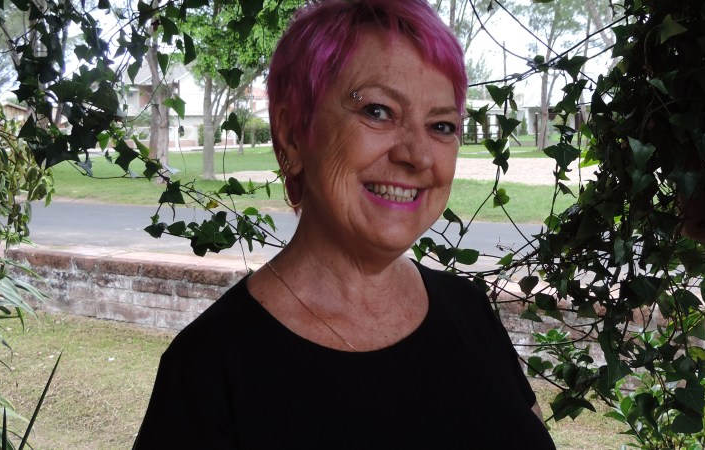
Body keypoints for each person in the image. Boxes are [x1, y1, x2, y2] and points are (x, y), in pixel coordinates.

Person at [134, 0, 556, 448]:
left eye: (441, 126)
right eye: (377, 111)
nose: (417, 155)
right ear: (292, 136)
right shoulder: (207, 369)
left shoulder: (469, 309)